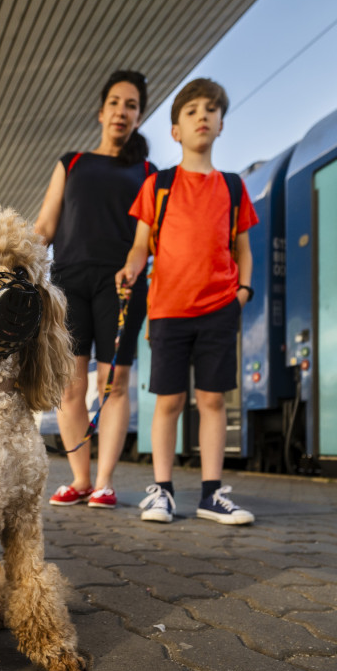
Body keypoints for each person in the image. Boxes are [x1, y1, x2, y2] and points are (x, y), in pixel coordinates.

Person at [116, 78, 257, 526]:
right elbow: (142, 245)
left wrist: (242, 292)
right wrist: (131, 267)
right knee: (169, 402)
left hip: (219, 308)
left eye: (211, 111)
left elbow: (243, 250)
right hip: (168, 311)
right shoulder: (158, 186)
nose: (202, 116)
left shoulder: (234, 188)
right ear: (176, 130)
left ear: (220, 126)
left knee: (212, 401)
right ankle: (163, 491)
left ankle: (212, 495)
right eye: (192, 110)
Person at [34, 70, 153, 509]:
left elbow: (148, 237)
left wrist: (134, 268)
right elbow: (45, 226)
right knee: (69, 386)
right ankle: (80, 479)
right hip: (69, 280)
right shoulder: (73, 163)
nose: (122, 111)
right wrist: (11, 260)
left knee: (113, 383)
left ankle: (104, 482)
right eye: (116, 103)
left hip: (121, 283)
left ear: (139, 117)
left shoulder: (147, 172)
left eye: (132, 105)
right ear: (101, 111)